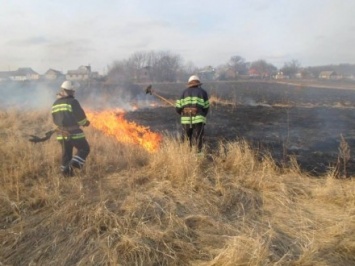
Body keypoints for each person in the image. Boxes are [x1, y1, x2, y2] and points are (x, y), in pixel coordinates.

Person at [51, 80, 90, 177]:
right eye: (73, 91)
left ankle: (66, 173)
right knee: (84, 149)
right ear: (71, 91)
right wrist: (85, 123)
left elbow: (54, 119)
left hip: (60, 133)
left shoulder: (55, 103)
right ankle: (74, 163)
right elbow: (81, 118)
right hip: (74, 132)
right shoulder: (73, 102)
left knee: (66, 154)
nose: (74, 92)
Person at [175, 75, 210, 153]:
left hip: (186, 120)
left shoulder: (183, 92)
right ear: (198, 84)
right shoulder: (203, 92)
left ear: (189, 83)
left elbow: (178, 108)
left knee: (187, 138)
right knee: (199, 138)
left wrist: (182, 112)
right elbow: (206, 107)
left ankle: (188, 154)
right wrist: (202, 115)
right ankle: (199, 157)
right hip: (199, 119)